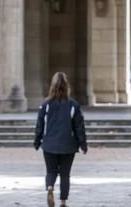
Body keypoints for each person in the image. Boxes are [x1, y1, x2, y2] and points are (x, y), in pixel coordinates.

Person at [34, 72, 87, 207]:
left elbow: (40, 125)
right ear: (67, 86)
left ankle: (50, 186)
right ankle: (63, 201)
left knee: (50, 171)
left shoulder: (45, 105)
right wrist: (83, 144)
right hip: (67, 144)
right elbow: (79, 126)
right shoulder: (73, 105)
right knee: (65, 174)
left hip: (49, 144)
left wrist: (37, 141)